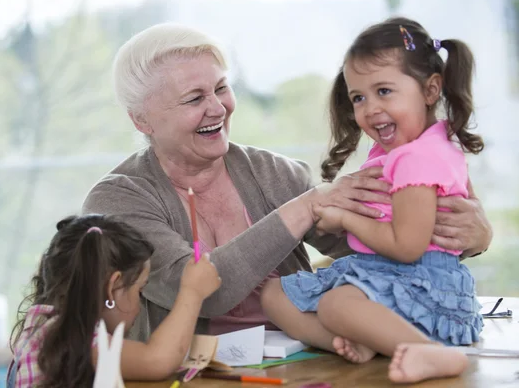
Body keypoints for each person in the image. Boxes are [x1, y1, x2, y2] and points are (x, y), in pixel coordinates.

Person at [82, 22, 492, 341]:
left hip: (305, 361)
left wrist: (475, 234)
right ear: (141, 119)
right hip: (190, 374)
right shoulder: (117, 199)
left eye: (222, 88)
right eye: (194, 98)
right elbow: (200, 293)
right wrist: (308, 204)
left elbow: (384, 244)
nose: (217, 108)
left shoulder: (275, 173)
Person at [261, 17, 485, 384]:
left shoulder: (416, 159)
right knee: (274, 294)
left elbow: (408, 247)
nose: (370, 108)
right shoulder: (412, 146)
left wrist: (345, 220)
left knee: (336, 304)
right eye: (359, 97)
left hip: (423, 288)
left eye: (384, 91)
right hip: (384, 277)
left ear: (430, 91)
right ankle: (357, 340)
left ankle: (429, 352)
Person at [7, 214, 220, 387]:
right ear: (112, 287)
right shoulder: (69, 339)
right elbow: (157, 360)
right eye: (140, 290)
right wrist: (192, 292)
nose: (139, 306)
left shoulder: (41, 327)